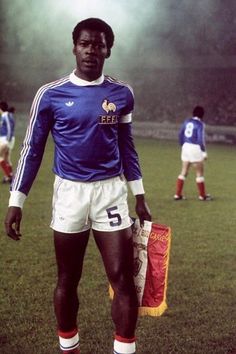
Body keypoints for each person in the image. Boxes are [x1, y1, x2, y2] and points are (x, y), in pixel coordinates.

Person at [4, 18, 151, 354]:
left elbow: (127, 147)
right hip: (69, 193)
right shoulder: (50, 94)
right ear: (74, 47)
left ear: (108, 50)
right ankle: (69, 348)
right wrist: (17, 200)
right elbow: (32, 149)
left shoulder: (121, 93)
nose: (90, 50)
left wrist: (139, 195)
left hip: (111, 192)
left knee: (123, 278)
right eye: (85, 43)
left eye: (98, 44)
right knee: (68, 279)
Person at [174, 105, 212, 201]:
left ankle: (177, 194)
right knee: (199, 172)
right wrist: (203, 152)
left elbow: (180, 133)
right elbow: (200, 139)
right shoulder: (200, 124)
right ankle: (202, 196)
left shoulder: (187, 121)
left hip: (186, 146)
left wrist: (182, 144)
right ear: (202, 115)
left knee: (184, 171)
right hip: (195, 147)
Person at [0, 101, 15, 183]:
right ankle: (10, 175)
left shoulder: (5, 115)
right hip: (9, 139)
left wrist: (7, 140)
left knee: (0, 157)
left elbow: (9, 128)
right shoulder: (9, 115)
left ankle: (9, 176)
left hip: (5, 140)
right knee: (7, 159)